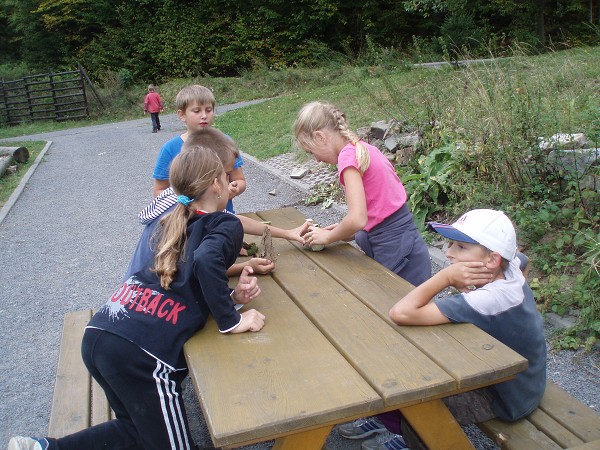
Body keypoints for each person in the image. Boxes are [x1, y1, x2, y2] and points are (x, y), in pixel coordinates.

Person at [9, 147, 266, 450]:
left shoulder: (172, 221)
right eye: (226, 176)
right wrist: (231, 320)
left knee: (136, 431)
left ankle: (44, 448)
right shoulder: (226, 223)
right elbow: (207, 260)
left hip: (101, 334)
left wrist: (232, 296)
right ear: (215, 183)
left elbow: (184, 280)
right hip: (140, 356)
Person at [382, 209, 546, 450]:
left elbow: (401, 313)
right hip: (527, 381)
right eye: (451, 245)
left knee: (417, 405)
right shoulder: (508, 270)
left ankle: (422, 438)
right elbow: (524, 260)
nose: (449, 253)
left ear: (492, 260)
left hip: (508, 398)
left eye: (461, 247)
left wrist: (446, 277)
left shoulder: (489, 299)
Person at [135, 127, 310, 277]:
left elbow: (237, 222)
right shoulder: (189, 215)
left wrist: (288, 234)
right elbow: (199, 272)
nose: (229, 181)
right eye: (226, 174)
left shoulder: (184, 199)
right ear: (214, 181)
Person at [294, 101, 431, 286]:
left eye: (311, 152)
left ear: (320, 137)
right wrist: (342, 231)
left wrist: (327, 237)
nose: (316, 160)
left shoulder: (347, 157)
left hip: (397, 250)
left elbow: (357, 219)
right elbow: (375, 213)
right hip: (402, 247)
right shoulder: (360, 148)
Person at [152, 84, 246, 213]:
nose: (204, 116)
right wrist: (188, 201)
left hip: (223, 218)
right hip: (188, 221)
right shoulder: (170, 148)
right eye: (197, 111)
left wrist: (234, 188)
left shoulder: (225, 142)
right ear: (182, 115)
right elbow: (159, 190)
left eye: (208, 110)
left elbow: (240, 179)